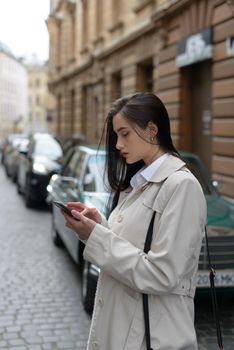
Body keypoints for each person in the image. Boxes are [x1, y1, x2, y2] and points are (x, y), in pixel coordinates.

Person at [62, 92, 207, 350]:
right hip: (125, 329)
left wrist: (98, 237)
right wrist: (98, 227)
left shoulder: (181, 186)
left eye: (124, 133)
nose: (117, 144)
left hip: (150, 337)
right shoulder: (139, 183)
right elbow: (134, 248)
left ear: (152, 130)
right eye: (117, 135)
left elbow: (162, 274)